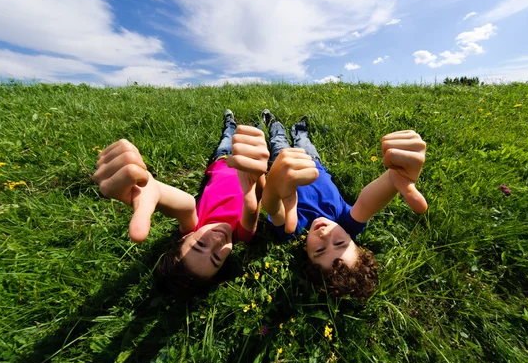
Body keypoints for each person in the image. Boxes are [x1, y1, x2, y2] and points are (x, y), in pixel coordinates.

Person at [232, 109, 428, 300]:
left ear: (307, 256)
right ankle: (299, 130)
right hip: (314, 161)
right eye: (340, 243)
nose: (325, 235)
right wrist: (392, 179)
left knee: (278, 141)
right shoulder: (345, 223)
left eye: (319, 250)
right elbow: (368, 204)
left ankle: (274, 124)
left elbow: (273, 206)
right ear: (352, 240)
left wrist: (273, 182)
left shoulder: (293, 229)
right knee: (304, 141)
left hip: (283, 164)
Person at [93, 110, 269, 294]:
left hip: (221, 159)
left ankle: (229, 121)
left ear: (185, 237)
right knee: (254, 138)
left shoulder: (195, 224)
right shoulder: (241, 234)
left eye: (200, 245)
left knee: (228, 136)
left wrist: (157, 190)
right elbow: (253, 204)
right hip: (248, 164)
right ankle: (259, 121)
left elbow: (185, 206)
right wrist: (256, 179)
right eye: (216, 257)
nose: (217, 241)